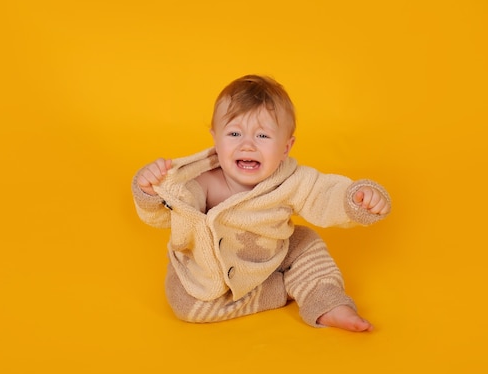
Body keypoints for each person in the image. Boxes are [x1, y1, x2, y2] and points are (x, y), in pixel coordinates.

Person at [132, 74, 391, 332]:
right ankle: (279, 290)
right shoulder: (202, 181)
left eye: (263, 137)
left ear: (286, 147)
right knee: (186, 304)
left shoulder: (291, 179)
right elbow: (170, 212)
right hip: (211, 275)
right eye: (234, 133)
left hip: (273, 254)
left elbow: (323, 194)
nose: (247, 145)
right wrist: (152, 191)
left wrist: (355, 199)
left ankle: (328, 303)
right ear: (215, 139)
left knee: (308, 244)